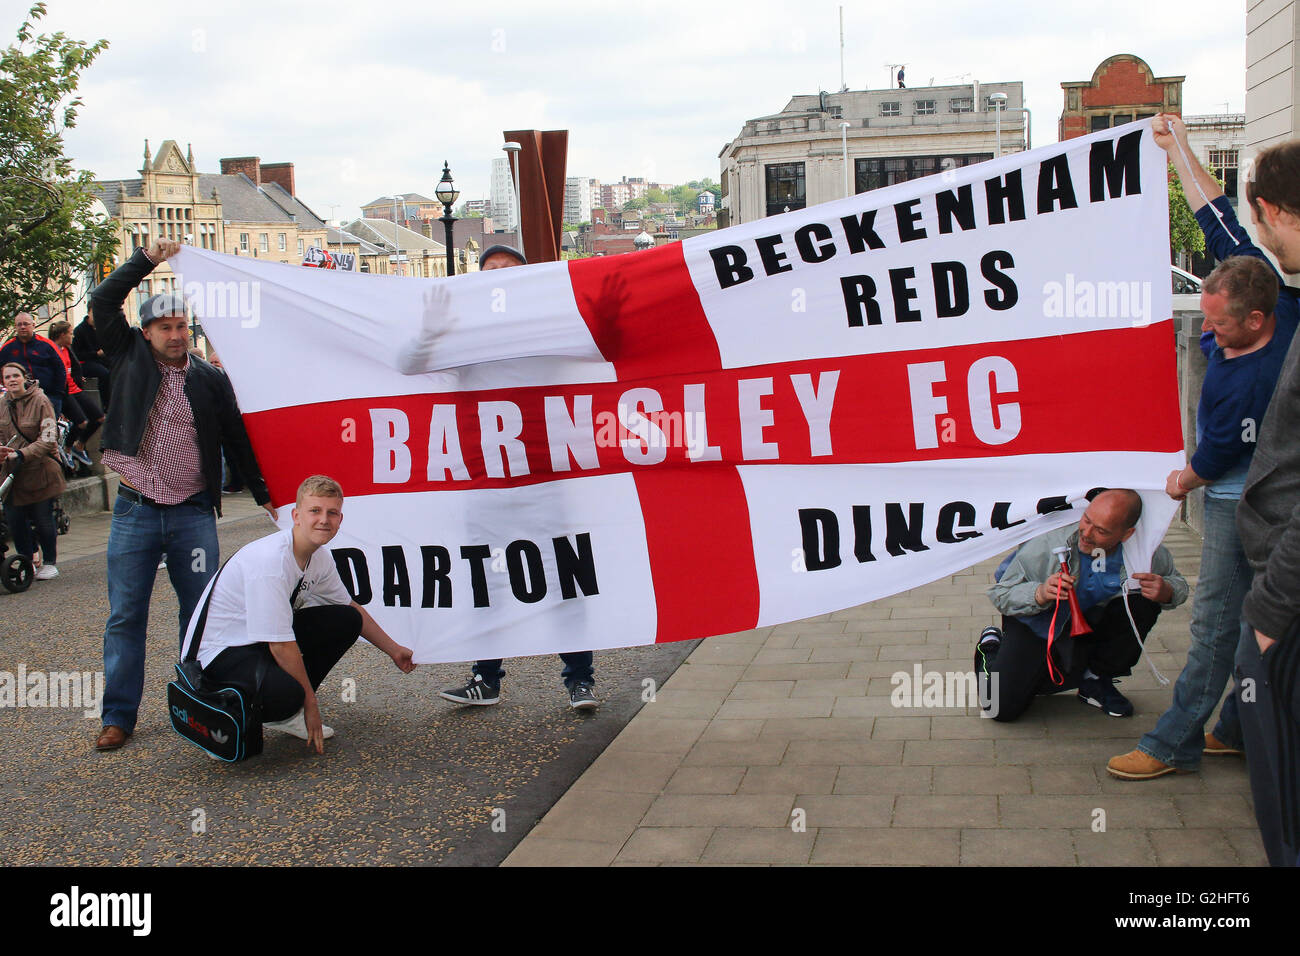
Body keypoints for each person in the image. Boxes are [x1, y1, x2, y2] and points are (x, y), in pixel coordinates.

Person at [1106, 118, 1300, 782]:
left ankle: (1174, 741)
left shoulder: (1269, 334)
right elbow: (1223, 227)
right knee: (1256, 614)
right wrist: (1179, 151)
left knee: (1220, 620)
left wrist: (1187, 477)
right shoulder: (1277, 294)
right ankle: (1240, 726)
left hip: (1246, 494)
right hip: (1264, 493)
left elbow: (1219, 450)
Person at [91, 237, 275, 752]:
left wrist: (265, 496)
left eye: (180, 327)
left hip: (193, 514)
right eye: (164, 327)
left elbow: (238, 440)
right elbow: (103, 303)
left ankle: (195, 703)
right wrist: (145, 259)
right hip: (136, 510)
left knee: (199, 613)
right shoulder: (128, 356)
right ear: (145, 332)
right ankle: (118, 717)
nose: (175, 335)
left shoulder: (210, 379)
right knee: (126, 614)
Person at [409, 245, 600, 710]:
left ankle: (580, 680)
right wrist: (431, 334)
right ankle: (485, 678)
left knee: (564, 579)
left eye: (508, 271)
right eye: (489, 270)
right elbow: (410, 365)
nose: (498, 278)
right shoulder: (466, 340)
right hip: (486, 484)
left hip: (542, 482)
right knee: (486, 582)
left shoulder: (546, 332)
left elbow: (601, 349)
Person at [183, 475, 416, 753]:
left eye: (332, 513)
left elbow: (350, 607)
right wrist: (310, 705)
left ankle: (286, 714)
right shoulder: (271, 562)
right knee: (289, 695)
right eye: (314, 511)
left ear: (340, 519)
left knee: (346, 620)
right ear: (296, 515)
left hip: (254, 641)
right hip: (217, 656)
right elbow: (280, 645)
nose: (324, 520)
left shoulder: (319, 556)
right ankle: (229, 711)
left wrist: (394, 650)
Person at [1220, 136, 1300, 866]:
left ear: (1272, 209)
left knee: (1286, 794)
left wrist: (1272, 614)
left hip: (1287, 597)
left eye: (1263, 220)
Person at [977, 489, 1188, 722]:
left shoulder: (1146, 552)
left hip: (1090, 622)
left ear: (1127, 534)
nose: (1086, 534)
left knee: (1143, 601)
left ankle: (1095, 679)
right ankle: (991, 647)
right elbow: (1001, 593)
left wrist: (1167, 592)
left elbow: (1177, 583)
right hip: (1040, 620)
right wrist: (1039, 593)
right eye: (1086, 520)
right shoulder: (1048, 542)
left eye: (1101, 531)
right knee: (998, 707)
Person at [0, 362, 66, 580]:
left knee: (42, 518)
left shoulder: (40, 400)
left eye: (15, 376)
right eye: (7, 377)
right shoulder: (2, 404)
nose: (11, 380)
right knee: (15, 520)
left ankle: (49, 561)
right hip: (13, 472)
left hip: (40, 469)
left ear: (24, 378)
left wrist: (23, 454)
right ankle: (27, 560)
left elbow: (48, 438)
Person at [48, 319, 105, 469]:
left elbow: (74, 366)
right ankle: (67, 448)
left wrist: (78, 377)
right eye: (70, 334)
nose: (72, 337)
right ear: (62, 334)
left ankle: (79, 446)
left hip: (76, 388)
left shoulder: (67, 349)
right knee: (81, 422)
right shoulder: (51, 349)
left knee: (99, 417)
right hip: (65, 392)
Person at [0, 313, 67, 416]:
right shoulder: (7, 348)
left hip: (49, 395)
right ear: (15, 327)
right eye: (19, 324)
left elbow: (61, 369)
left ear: (33, 325)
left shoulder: (47, 345)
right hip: (19, 398)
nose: (22, 327)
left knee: (48, 428)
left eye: (26, 324)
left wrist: (57, 393)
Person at [72, 312, 112, 409]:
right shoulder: (79, 330)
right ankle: (106, 405)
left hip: (100, 360)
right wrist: (96, 354)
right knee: (104, 374)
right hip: (85, 362)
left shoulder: (101, 328)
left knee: (119, 368)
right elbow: (77, 354)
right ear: (89, 313)